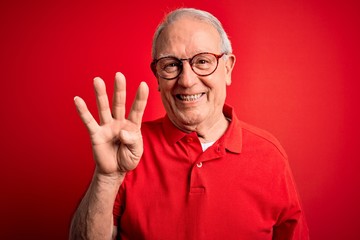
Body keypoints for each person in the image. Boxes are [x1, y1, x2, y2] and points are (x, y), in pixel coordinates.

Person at [70, 8, 309, 240]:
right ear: (157, 77)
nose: (186, 80)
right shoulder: (128, 149)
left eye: (203, 61)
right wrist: (108, 178)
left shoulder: (270, 156)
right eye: (171, 65)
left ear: (227, 68)